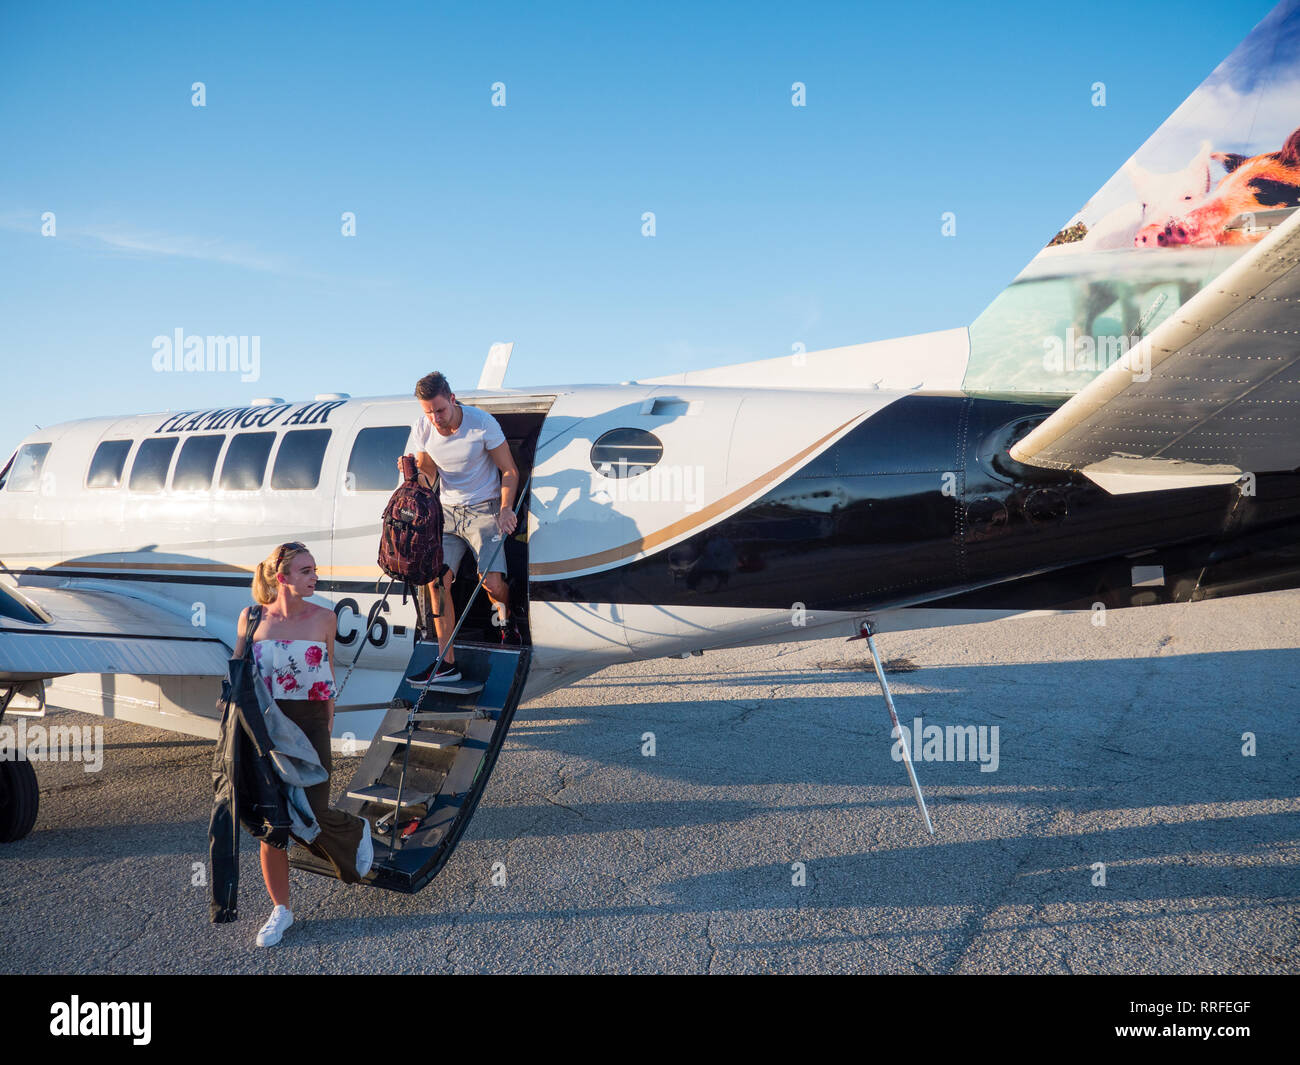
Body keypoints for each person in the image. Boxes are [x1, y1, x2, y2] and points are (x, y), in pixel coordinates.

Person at [232, 541, 373, 947]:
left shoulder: (325, 618)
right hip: (264, 726)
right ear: (283, 578)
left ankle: (354, 828)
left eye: (314, 570)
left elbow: (326, 669)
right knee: (271, 823)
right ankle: (281, 910)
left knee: (311, 810)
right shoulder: (252, 617)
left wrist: (330, 715)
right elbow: (239, 676)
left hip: (309, 722)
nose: (315, 577)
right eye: (306, 571)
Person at [401, 372, 521, 687]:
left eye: (439, 410)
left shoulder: (482, 424)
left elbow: (508, 470)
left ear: (452, 399)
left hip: (485, 508)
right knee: (437, 581)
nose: (435, 418)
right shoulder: (423, 427)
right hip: (447, 512)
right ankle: (446, 663)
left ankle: (507, 616)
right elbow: (429, 472)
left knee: (491, 582)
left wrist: (506, 508)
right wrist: (414, 480)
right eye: (428, 412)